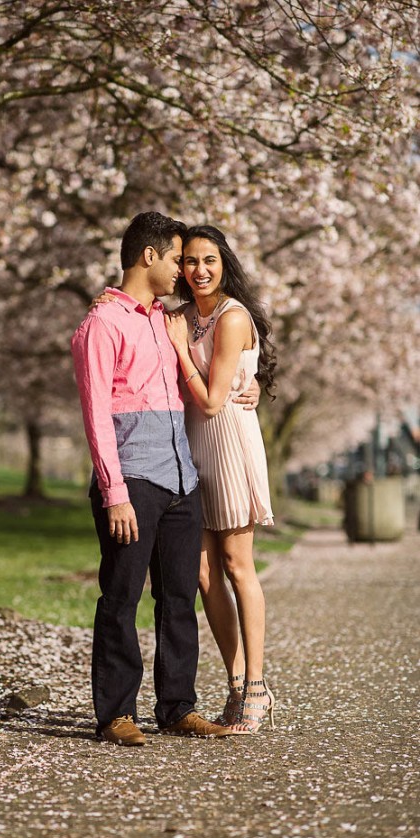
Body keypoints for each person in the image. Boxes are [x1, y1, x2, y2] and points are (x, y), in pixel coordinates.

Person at [71, 211, 234, 745]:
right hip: (133, 479)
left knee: (179, 597)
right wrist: (114, 494)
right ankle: (115, 713)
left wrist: (249, 389)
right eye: (175, 258)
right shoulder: (101, 324)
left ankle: (177, 706)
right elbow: (96, 413)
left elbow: (223, 347)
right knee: (120, 596)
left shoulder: (166, 319)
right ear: (149, 256)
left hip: (182, 477)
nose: (183, 270)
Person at [164, 224, 277, 735]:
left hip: (227, 440)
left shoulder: (232, 317)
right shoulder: (184, 315)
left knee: (236, 564)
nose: (199, 270)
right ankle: (234, 684)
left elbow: (211, 401)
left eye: (208, 259)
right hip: (192, 447)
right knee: (204, 574)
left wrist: (183, 350)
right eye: (189, 261)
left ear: (223, 262)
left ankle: (257, 686)